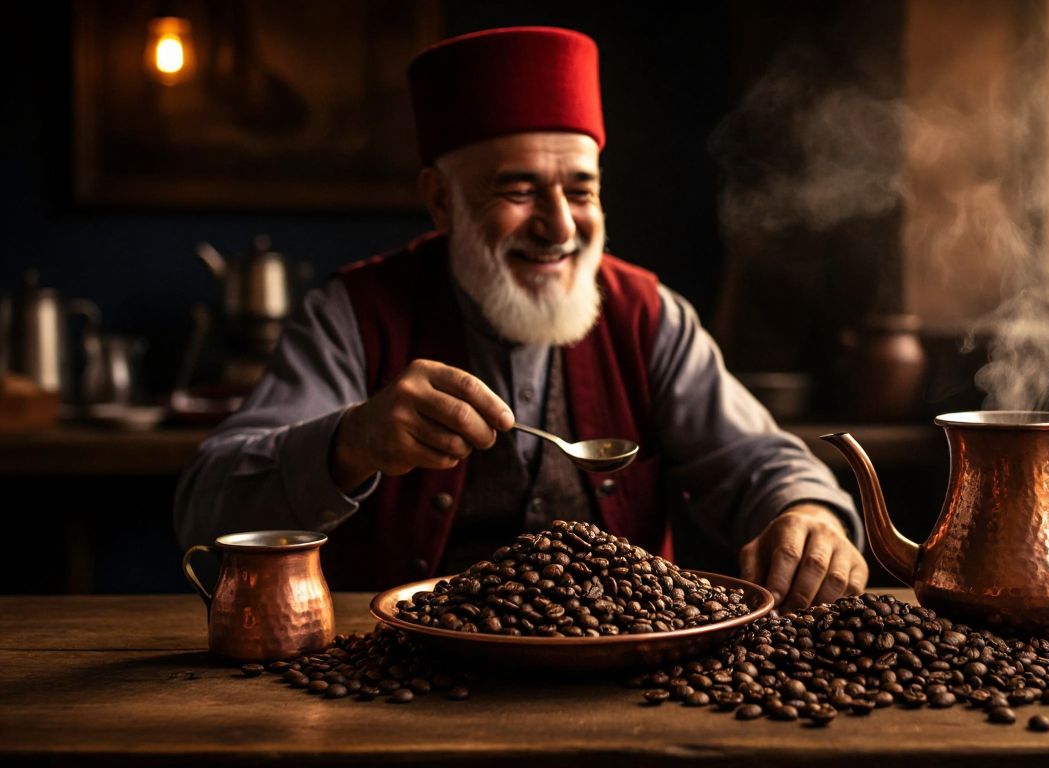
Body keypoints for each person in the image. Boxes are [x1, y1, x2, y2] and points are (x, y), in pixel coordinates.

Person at [173, 26, 867, 612]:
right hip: (391, 681)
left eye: (581, 191)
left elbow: (755, 460)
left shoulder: (649, 316)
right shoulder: (351, 315)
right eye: (519, 190)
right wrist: (348, 444)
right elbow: (205, 511)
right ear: (441, 201)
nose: (560, 226)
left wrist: (807, 512)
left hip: (625, 681)